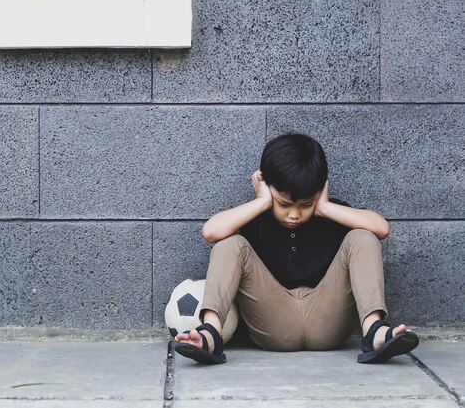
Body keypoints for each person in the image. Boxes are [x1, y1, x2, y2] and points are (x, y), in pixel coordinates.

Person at [174, 133, 419, 364]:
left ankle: (374, 333)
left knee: (363, 236)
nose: (294, 214)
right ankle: (209, 336)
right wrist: (262, 202)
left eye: (306, 204)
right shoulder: (255, 216)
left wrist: (323, 208)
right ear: (266, 186)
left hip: (328, 321)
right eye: (284, 204)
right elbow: (210, 232)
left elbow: (381, 228)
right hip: (272, 323)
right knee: (229, 242)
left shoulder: (331, 213)